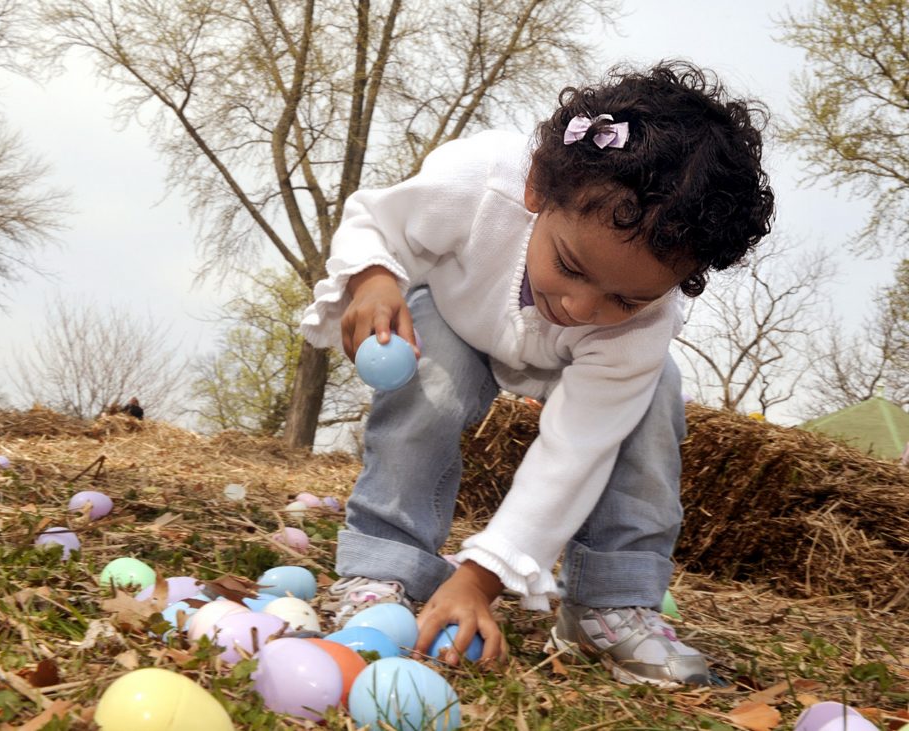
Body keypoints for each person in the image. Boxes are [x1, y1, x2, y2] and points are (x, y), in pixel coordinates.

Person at [300, 61, 774, 687]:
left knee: (654, 399)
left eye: (625, 299)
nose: (583, 308)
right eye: (572, 267)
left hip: (572, 367)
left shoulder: (638, 327)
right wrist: (374, 277)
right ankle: (383, 565)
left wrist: (481, 578)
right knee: (432, 388)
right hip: (457, 319)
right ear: (537, 190)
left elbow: (573, 456)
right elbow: (375, 218)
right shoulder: (478, 183)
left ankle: (612, 602)